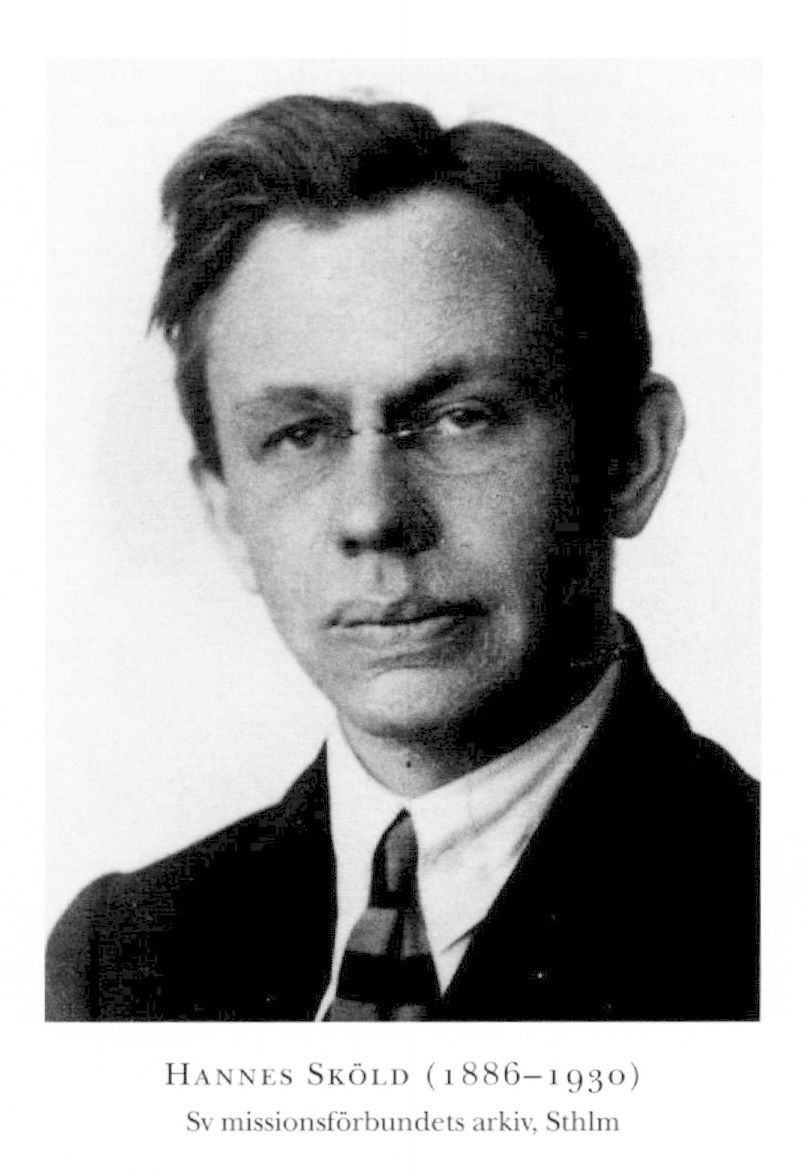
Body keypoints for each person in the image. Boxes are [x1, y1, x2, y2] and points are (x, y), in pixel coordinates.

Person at [46, 94, 758, 1022]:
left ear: (630, 458)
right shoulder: (120, 960)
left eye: (462, 418)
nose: (373, 515)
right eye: (299, 435)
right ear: (225, 515)